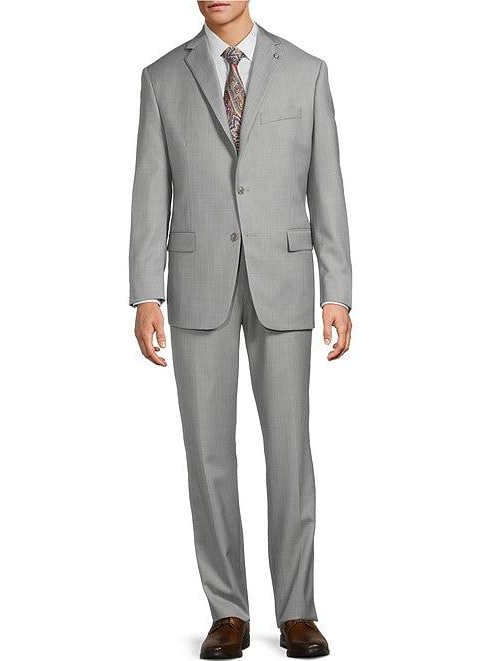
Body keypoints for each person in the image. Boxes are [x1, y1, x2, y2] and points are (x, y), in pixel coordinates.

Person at [129, 1, 352, 657]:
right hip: (197, 282)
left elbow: (327, 185)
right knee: (207, 454)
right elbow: (150, 188)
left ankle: (298, 610)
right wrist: (145, 291)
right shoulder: (161, 78)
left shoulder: (306, 71)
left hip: (283, 279)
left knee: (290, 452)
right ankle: (227, 610)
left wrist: (337, 290)